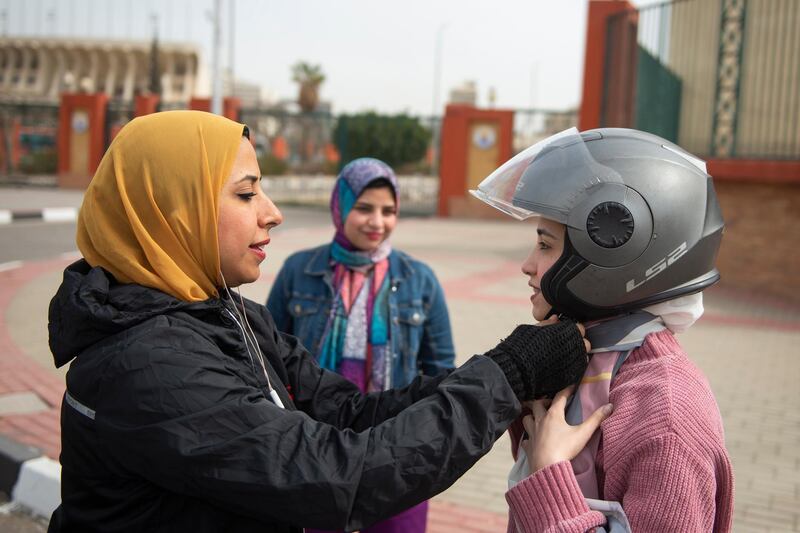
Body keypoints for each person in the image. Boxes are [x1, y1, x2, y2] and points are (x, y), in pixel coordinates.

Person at [47, 110, 591, 533]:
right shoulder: (150, 365)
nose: (272, 212)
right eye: (245, 192)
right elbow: (337, 475)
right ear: (171, 210)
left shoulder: (225, 314)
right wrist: (507, 375)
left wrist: (505, 373)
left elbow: (348, 412)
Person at [472, 127, 734, 532]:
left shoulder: (665, 418)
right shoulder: (584, 363)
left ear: (612, 251)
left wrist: (549, 475)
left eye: (544, 246)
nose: (527, 265)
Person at [266, 158, 454, 532]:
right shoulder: (298, 270)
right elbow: (269, 356)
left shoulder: (420, 279)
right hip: (316, 443)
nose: (377, 222)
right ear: (341, 206)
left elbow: (441, 370)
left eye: (389, 211)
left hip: (395, 442)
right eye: (364, 208)